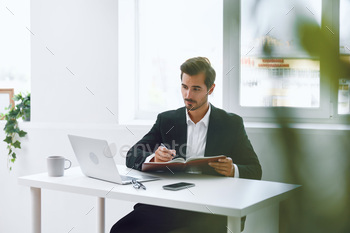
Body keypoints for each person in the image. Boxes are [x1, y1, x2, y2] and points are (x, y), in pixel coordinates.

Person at [110, 57, 262, 233]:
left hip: (211, 209)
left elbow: (254, 169)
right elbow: (132, 154)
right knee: (120, 230)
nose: (188, 95)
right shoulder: (167, 120)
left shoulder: (230, 123)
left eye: (196, 89)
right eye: (184, 87)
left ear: (210, 89)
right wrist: (154, 158)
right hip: (170, 204)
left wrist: (233, 169)